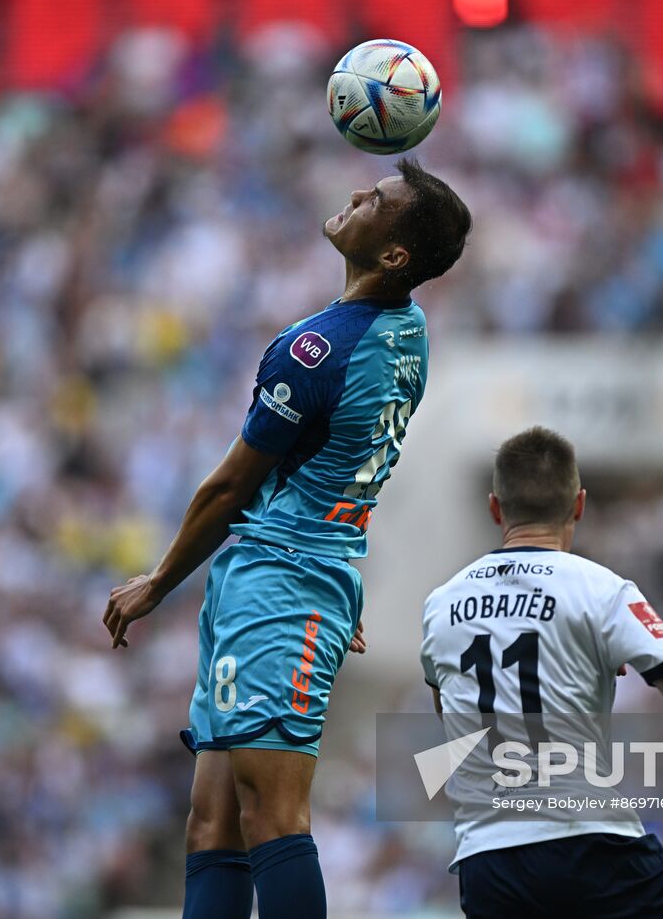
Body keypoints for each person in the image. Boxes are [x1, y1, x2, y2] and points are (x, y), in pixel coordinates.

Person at [103, 158, 471, 919]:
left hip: (282, 581)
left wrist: (158, 581)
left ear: (395, 255)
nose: (357, 195)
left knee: (273, 813)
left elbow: (229, 485)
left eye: (378, 200)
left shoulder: (316, 349)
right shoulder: (410, 330)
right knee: (213, 819)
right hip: (286, 574)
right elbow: (348, 464)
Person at [419, 426, 663, 919]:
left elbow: (452, 730)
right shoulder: (601, 590)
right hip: (585, 842)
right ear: (579, 505)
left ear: (495, 508)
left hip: (486, 863)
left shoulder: (440, 604)